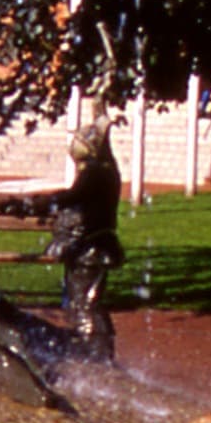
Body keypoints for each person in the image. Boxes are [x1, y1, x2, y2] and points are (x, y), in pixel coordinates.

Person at [42, 98, 125, 356]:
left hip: (92, 247)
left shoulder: (95, 173)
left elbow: (73, 197)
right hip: (89, 245)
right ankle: (95, 348)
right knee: (85, 300)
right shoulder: (102, 170)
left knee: (85, 302)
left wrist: (46, 201)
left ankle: (95, 351)